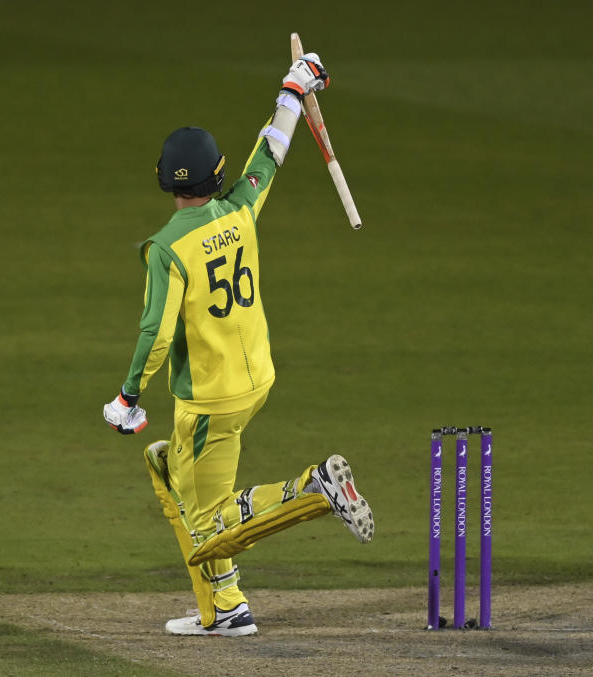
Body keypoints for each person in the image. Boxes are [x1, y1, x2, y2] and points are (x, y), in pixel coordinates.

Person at [103, 52, 373, 637]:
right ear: (216, 175)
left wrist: (127, 397)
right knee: (168, 467)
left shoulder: (167, 247)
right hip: (255, 382)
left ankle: (312, 490)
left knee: (208, 526)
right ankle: (225, 607)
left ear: (163, 179)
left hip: (209, 399)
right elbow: (269, 154)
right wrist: (294, 91)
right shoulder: (240, 211)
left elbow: (156, 333)